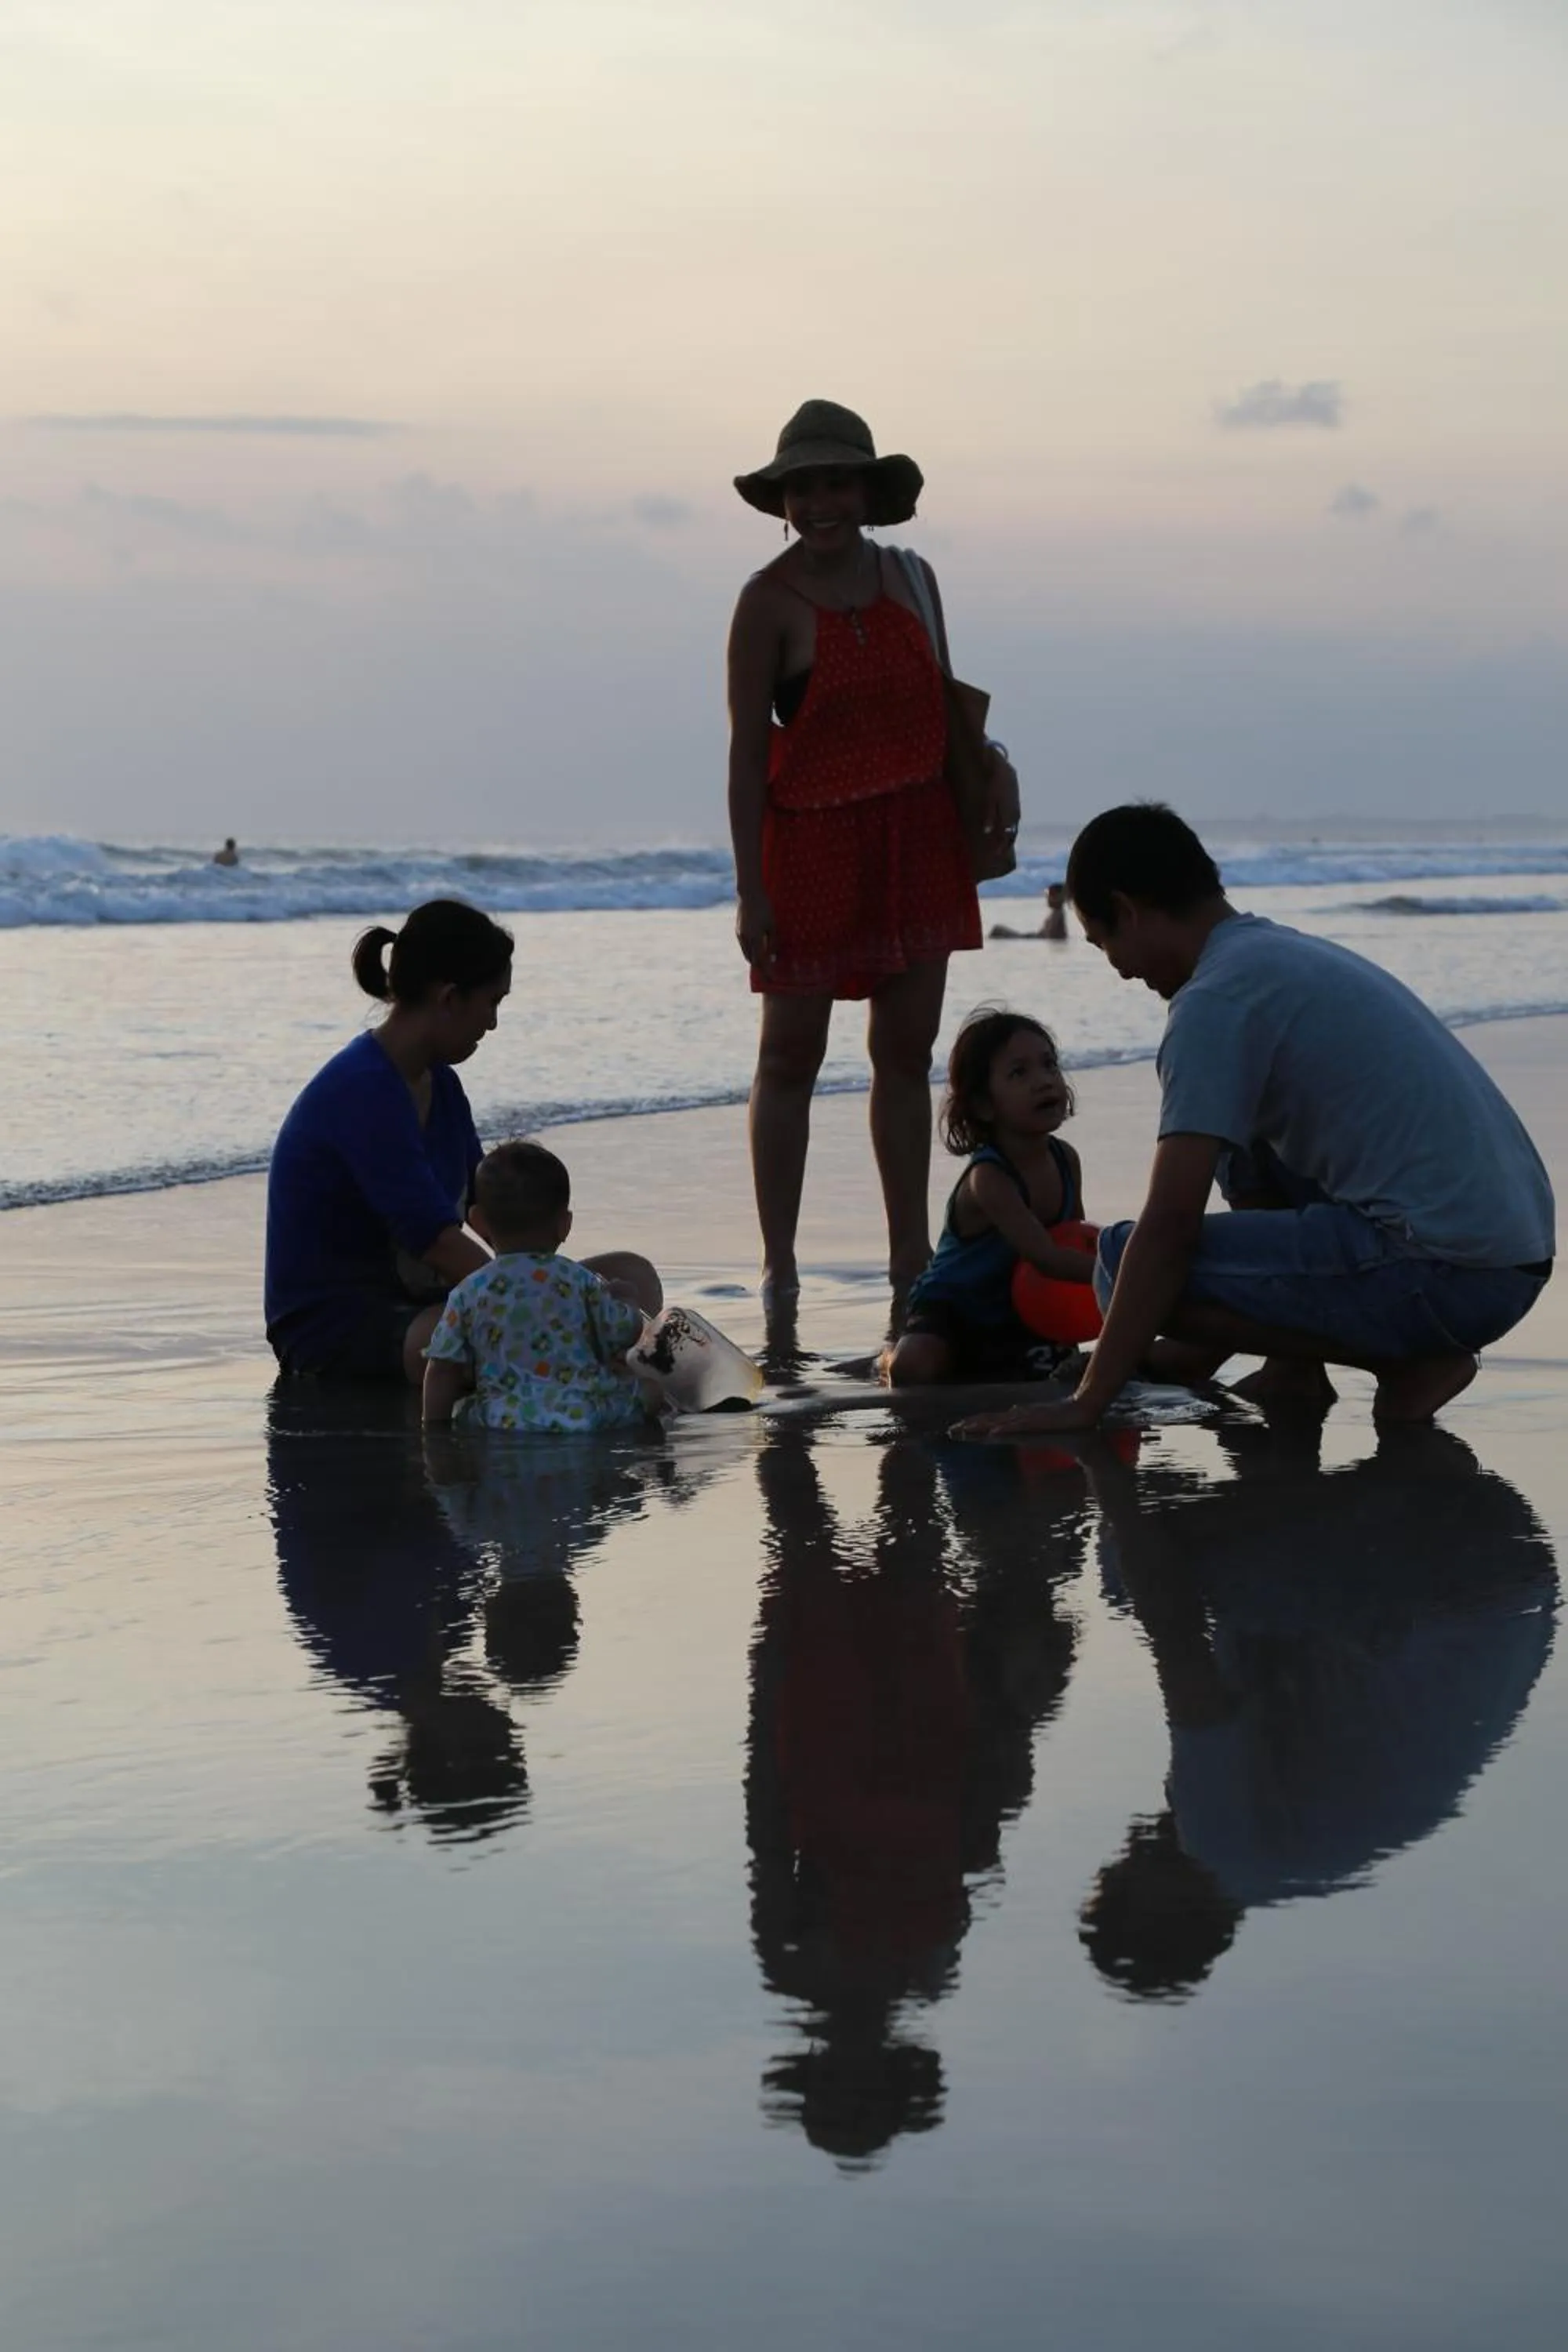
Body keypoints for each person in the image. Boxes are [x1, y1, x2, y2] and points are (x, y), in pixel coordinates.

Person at [955, 803, 1555, 1439]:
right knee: (1244, 1146)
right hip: (1511, 1256)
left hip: (1447, 1274)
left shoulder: (1214, 1004)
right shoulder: (1277, 956)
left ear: (1129, 910)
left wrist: (1086, 1401)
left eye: (1106, 943)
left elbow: (1169, 1229)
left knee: (1116, 1260)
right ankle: (1293, 1367)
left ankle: (1406, 1362)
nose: (1122, 970)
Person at [726, 398, 1018, 1317]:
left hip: (917, 835)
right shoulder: (766, 602)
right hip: (807, 841)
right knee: (789, 1059)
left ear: (866, 489)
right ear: (782, 498)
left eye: (835, 481)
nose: (820, 501)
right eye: (803, 486)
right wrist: (749, 890)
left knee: (904, 1055)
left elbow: (943, 712)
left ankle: (905, 1260)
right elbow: (742, 757)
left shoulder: (912, 581)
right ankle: (779, 1264)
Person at [264, 898, 655, 1384]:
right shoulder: (362, 1090)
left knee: (633, 1276)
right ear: (449, 999)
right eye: (492, 1003)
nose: (492, 1023)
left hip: (427, 1302)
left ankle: (585, 1366)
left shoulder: (441, 1085)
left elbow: (495, 1211)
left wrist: (570, 1293)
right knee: (482, 1347)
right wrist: (558, 1308)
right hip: (342, 1330)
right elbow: (442, 1244)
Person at [887, 1010, 1094, 1385]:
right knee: (915, 1368)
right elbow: (1047, 1258)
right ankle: (884, 1359)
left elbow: (1074, 1245)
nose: (1043, 1081)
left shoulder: (1066, 1160)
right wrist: (1122, 1274)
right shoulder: (990, 1178)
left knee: (1058, 1371)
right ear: (983, 1104)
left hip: (1018, 1308)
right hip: (955, 1309)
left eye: (1049, 1065)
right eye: (1020, 1073)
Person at [422, 1140, 662, 1432]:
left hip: (504, 1420)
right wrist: (628, 1302)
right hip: (582, 1414)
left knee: (464, 1410)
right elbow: (622, 1333)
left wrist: (433, 1430)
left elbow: (443, 1367)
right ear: (565, 1225)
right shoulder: (579, 1280)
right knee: (650, 1390)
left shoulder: (469, 1291)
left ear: (478, 1222)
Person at [988, 880, 1068, 942]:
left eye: (1050, 896)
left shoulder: (1058, 914)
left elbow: (1051, 936)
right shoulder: (1057, 913)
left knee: (997, 930)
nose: (1047, 899)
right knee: (997, 930)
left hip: (1034, 938)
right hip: (1033, 937)